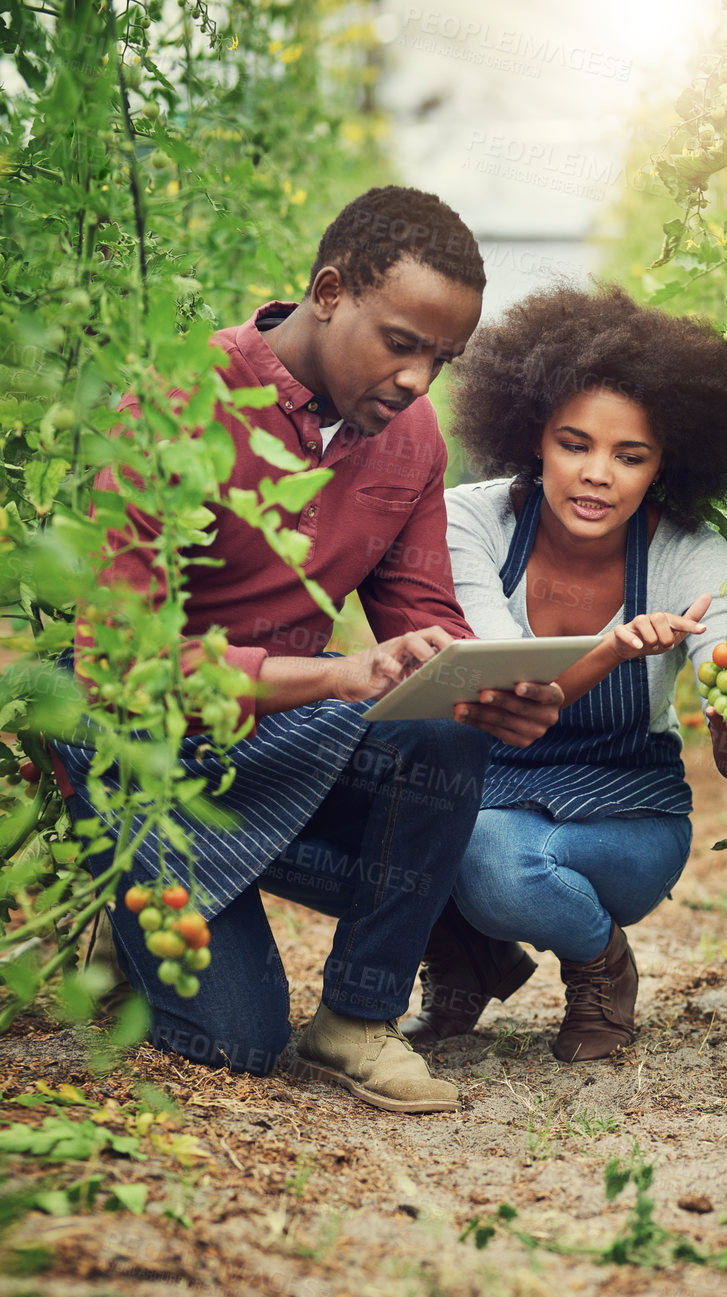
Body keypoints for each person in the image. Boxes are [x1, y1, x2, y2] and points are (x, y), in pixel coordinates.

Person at [53, 186, 563, 1113]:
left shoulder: (410, 441)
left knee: (445, 740)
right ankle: (124, 895)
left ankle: (355, 1022)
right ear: (328, 291)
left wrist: (484, 689)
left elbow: (422, 623)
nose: (417, 380)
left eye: (439, 359)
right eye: (400, 343)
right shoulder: (176, 404)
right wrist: (337, 673)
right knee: (235, 1041)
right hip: (145, 743)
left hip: (273, 739)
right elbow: (122, 667)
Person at [400, 284, 727, 1063]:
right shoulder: (472, 520)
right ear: (533, 437)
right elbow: (505, 683)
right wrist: (613, 647)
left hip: (624, 820)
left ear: (665, 462)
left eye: (629, 456)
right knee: (426, 811)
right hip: (492, 790)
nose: (598, 474)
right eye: (575, 444)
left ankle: (598, 963)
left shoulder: (688, 555)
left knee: (490, 859)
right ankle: (471, 953)